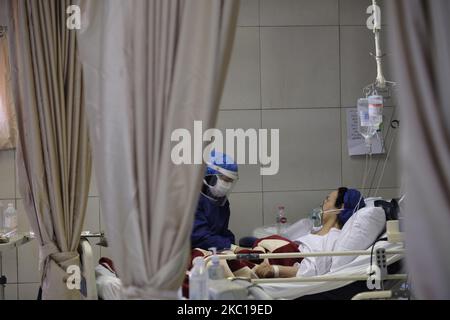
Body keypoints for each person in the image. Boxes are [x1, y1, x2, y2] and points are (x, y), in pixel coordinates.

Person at [255, 187, 365, 278]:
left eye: (327, 199)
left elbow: (309, 271)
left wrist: (274, 270)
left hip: (272, 264)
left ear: (340, 208)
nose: (323, 203)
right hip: (269, 254)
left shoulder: (332, 239)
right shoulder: (316, 229)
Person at [191, 151, 239, 250]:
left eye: (230, 181)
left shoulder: (222, 203)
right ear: (209, 174)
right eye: (225, 180)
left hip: (214, 251)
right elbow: (199, 237)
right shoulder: (192, 201)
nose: (227, 185)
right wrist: (230, 246)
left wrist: (231, 243)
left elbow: (222, 232)